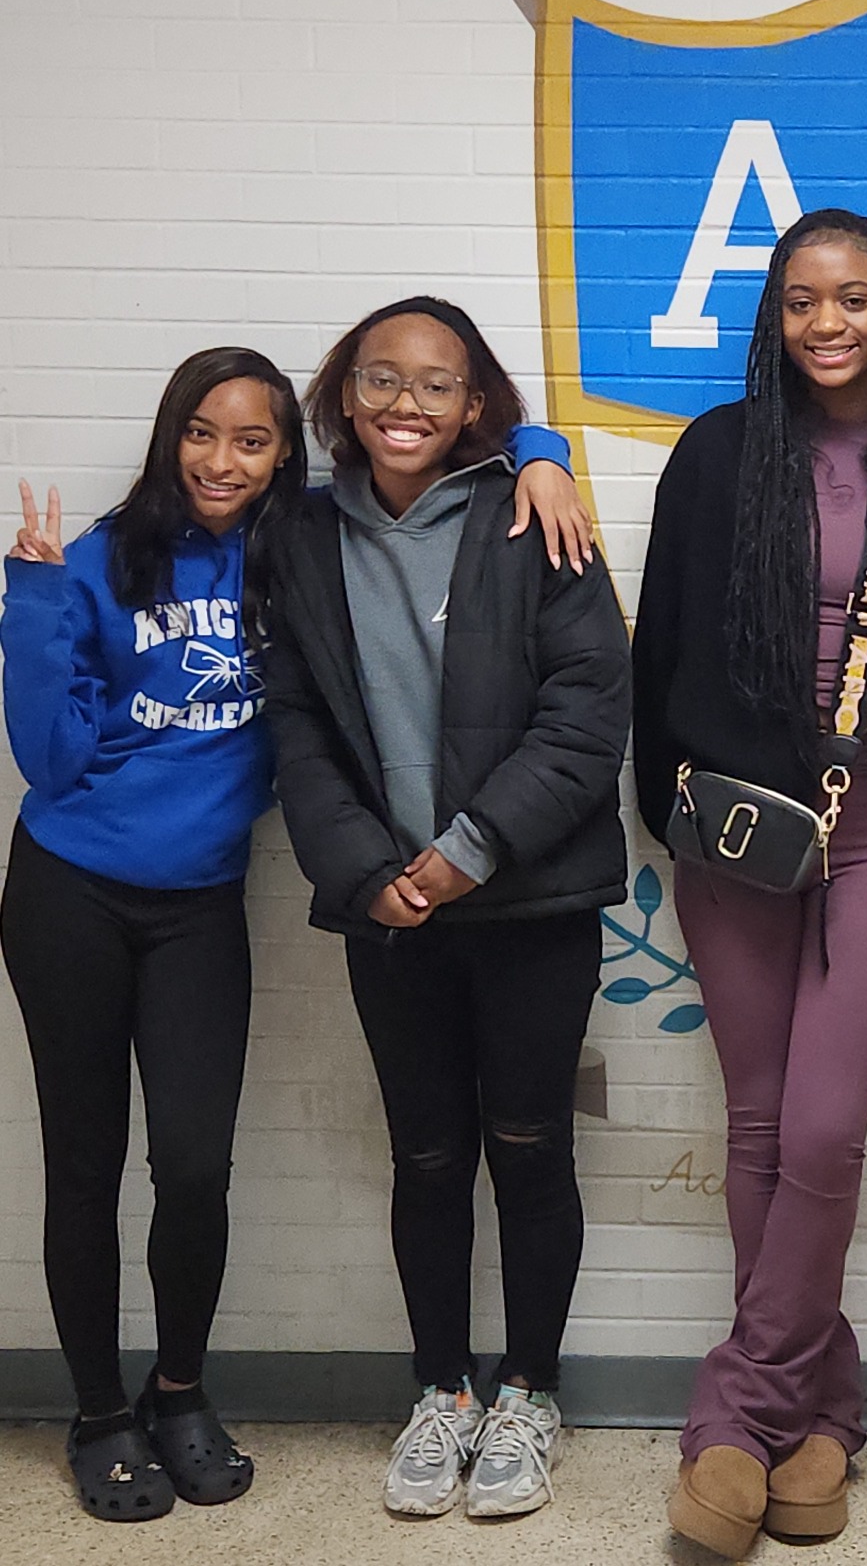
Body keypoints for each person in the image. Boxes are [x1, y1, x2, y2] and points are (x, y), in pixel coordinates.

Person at [0, 345, 586, 1522]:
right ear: (171, 436)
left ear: (286, 457)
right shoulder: (98, 561)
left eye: (253, 440)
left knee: (197, 1168)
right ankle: (100, 1413)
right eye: (202, 433)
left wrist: (545, 453)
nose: (223, 460)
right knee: (82, 1166)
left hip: (201, 906)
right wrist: (31, 605)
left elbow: (425, 454)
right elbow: (51, 764)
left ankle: (178, 1392)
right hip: (69, 894)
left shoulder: (302, 549)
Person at [631, 209, 867, 1559]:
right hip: (734, 835)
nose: (828, 323)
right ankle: (823, 1416)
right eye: (800, 302)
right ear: (771, 318)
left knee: (828, 1132)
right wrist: (673, 813)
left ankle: (734, 1412)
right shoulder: (718, 453)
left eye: (854, 298)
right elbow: (661, 639)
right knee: (765, 1127)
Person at [263, 296, 631, 1522]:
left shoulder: (536, 519)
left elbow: (588, 714)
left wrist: (466, 853)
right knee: (424, 1157)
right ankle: (443, 1393)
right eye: (381, 381)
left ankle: (529, 1392)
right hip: (391, 912)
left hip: (528, 902)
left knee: (528, 1148)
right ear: (344, 396)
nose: (406, 406)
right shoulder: (302, 536)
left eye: (435, 385)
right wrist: (371, 871)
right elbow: (300, 724)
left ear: (476, 404)